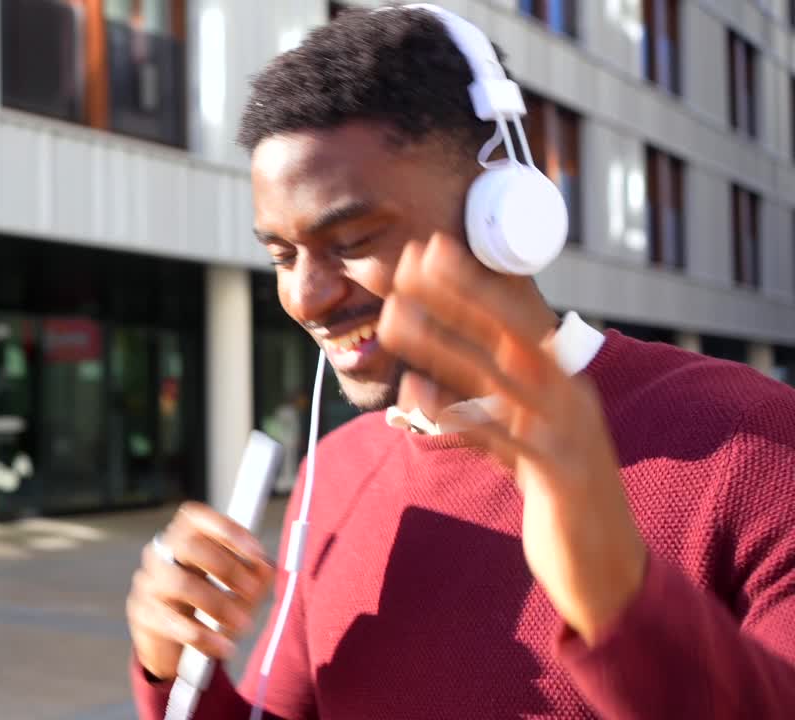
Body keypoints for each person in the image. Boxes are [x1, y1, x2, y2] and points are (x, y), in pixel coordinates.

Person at [125, 6, 795, 719]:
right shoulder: (339, 471)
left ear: (502, 213)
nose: (305, 296)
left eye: (351, 239)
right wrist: (172, 669)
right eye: (282, 256)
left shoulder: (757, 444)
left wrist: (616, 596)